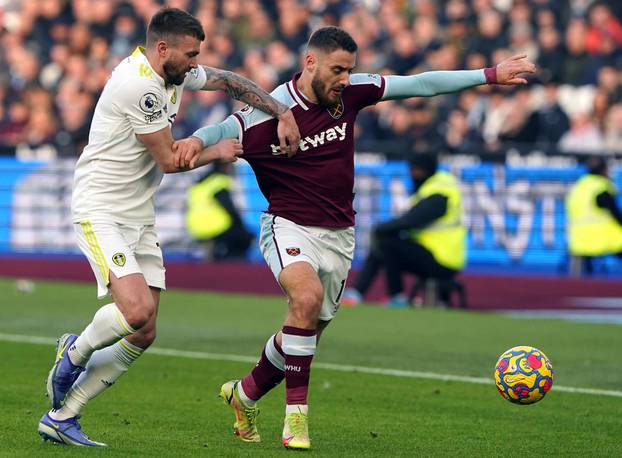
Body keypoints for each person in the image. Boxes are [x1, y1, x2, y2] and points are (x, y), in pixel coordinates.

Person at [175, 26, 535, 451]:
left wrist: (488, 75)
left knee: (306, 328)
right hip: (287, 225)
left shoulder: (352, 93)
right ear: (310, 62)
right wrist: (197, 138)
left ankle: (245, 393)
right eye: (338, 70)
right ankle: (296, 421)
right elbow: (220, 131)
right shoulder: (268, 113)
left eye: (350, 70)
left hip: (340, 234)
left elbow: (421, 84)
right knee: (304, 301)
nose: (346, 79)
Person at [38, 7, 300, 448]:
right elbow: (169, 159)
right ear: (163, 48)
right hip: (101, 208)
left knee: (144, 330)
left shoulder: (173, 73)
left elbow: (230, 81)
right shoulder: (139, 86)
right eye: (190, 55)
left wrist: (280, 109)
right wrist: (218, 151)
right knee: (136, 310)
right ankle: (76, 350)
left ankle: (63, 416)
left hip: (138, 212)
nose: (196, 63)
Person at [343, 155, 465, 307]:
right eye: (412, 170)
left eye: (417, 170)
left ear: (427, 170)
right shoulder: (434, 186)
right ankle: (357, 293)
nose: (414, 174)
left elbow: (411, 220)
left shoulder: (439, 192)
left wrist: (381, 228)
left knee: (387, 242)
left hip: (443, 259)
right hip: (434, 252)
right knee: (384, 242)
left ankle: (395, 297)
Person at [186, 161, 254, 260]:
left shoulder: (199, 184)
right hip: (215, 227)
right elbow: (229, 207)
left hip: (196, 228)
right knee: (244, 237)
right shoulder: (219, 181)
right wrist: (243, 227)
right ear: (224, 166)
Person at [566, 156, 622, 274]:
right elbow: (614, 212)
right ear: (603, 170)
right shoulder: (601, 186)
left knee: (577, 279)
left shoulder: (579, 186)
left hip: (578, 240)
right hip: (604, 238)